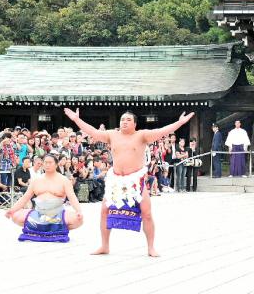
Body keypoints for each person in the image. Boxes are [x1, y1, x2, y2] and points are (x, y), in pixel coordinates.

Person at [65, 108, 194, 257]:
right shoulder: (112, 135)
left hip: (135, 180)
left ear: (135, 124)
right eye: (122, 119)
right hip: (116, 181)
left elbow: (162, 131)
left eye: (128, 120)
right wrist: (76, 119)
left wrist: (180, 122)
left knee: (146, 213)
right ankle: (104, 245)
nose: (124, 122)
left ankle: (151, 247)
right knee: (104, 211)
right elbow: (93, 132)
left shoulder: (142, 135)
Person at [5, 154, 83, 242]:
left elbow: (72, 198)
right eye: (45, 162)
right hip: (38, 214)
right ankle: (43, 229)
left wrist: (78, 211)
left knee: (78, 220)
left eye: (50, 162)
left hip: (57, 214)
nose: (47, 165)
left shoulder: (64, 180)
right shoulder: (36, 180)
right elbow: (25, 198)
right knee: (15, 216)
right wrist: (11, 210)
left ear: (56, 164)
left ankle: (54, 229)